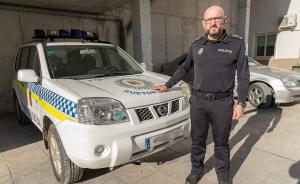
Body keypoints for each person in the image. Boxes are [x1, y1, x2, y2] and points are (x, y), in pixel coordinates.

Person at [151, 5, 250, 184]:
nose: (213, 22)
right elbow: (185, 67)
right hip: (198, 102)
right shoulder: (196, 45)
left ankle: (223, 176)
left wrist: (241, 102)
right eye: (209, 20)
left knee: (221, 144)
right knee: (197, 141)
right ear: (204, 23)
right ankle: (196, 170)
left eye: (216, 18)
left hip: (222, 103)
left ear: (224, 20)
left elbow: (243, 74)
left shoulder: (236, 44)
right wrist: (167, 85)